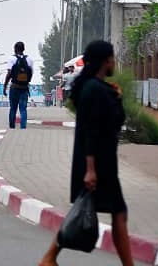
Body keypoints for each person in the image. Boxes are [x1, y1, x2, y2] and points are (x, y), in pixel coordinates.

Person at [39, 40, 132, 266]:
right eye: (112, 58)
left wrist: (116, 97)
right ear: (105, 61)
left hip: (102, 161)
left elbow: (116, 121)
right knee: (117, 212)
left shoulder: (98, 87)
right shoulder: (93, 89)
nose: (114, 63)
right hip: (96, 163)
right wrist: (90, 170)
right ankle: (49, 257)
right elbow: (92, 130)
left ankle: (50, 257)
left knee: (93, 210)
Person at [3, 42, 34, 129]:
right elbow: (31, 73)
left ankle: (12, 127)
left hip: (14, 88)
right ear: (24, 49)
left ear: (15, 49)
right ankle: (23, 127)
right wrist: (27, 82)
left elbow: (9, 73)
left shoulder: (12, 59)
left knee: (13, 108)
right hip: (24, 88)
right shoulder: (29, 59)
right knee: (23, 109)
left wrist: (5, 86)